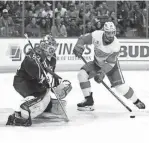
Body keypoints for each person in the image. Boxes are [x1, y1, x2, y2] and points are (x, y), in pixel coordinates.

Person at [73, 22, 145, 111]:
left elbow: (110, 63)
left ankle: (136, 101)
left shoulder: (116, 46)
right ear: (104, 31)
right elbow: (82, 39)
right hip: (96, 64)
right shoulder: (96, 35)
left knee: (120, 88)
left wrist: (102, 73)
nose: (111, 35)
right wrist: (78, 45)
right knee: (82, 74)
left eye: (112, 32)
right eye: (108, 32)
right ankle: (89, 101)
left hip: (111, 67)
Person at [6, 35, 71, 126]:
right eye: (51, 49)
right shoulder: (33, 54)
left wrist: (57, 85)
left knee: (46, 98)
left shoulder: (53, 58)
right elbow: (34, 69)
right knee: (40, 97)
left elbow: (50, 76)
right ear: (45, 46)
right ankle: (23, 112)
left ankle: (42, 106)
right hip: (22, 81)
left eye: (54, 49)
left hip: (35, 82)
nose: (53, 52)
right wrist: (43, 76)